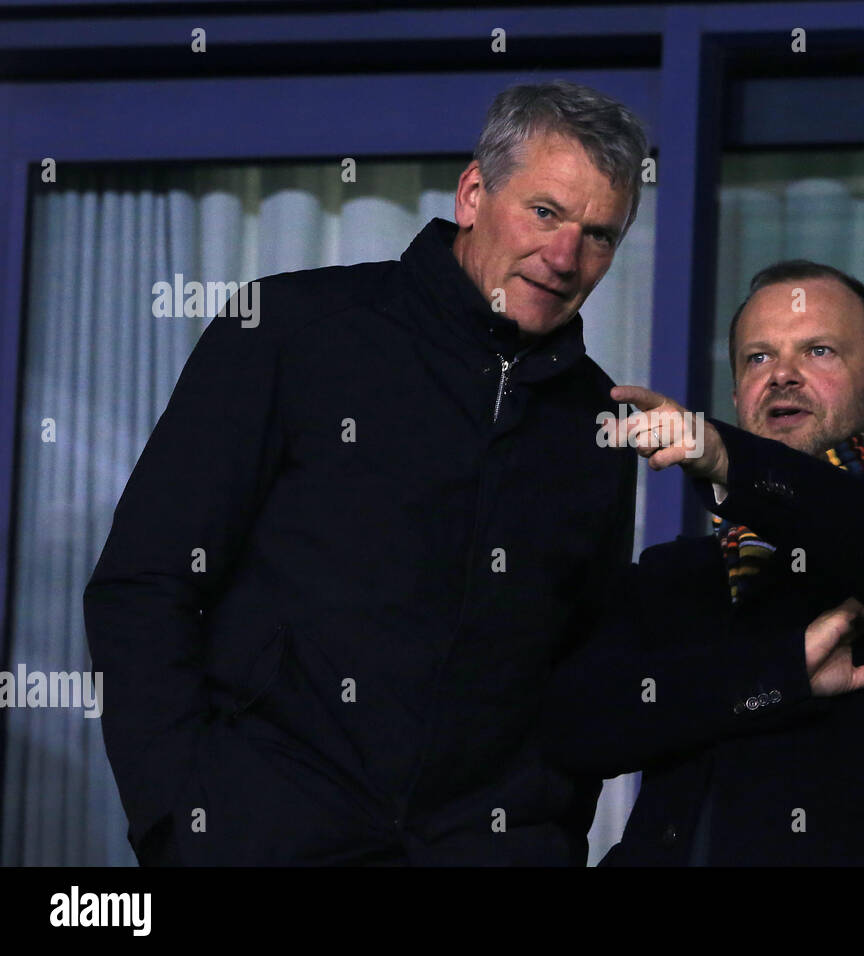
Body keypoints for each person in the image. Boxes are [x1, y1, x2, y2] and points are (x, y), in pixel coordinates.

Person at [83, 80, 645, 866]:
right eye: (545, 212)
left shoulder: (599, 422)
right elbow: (143, 586)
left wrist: (541, 834)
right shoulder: (290, 330)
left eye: (599, 235)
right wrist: (179, 823)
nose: (564, 257)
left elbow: (578, 668)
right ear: (475, 192)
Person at [544, 260, 864, 865]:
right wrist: (778, 672)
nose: (782, 375)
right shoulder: (676, 574)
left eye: (819, 352)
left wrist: (734, 461)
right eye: (757, 358)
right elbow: (575, 726)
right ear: (736, 397)